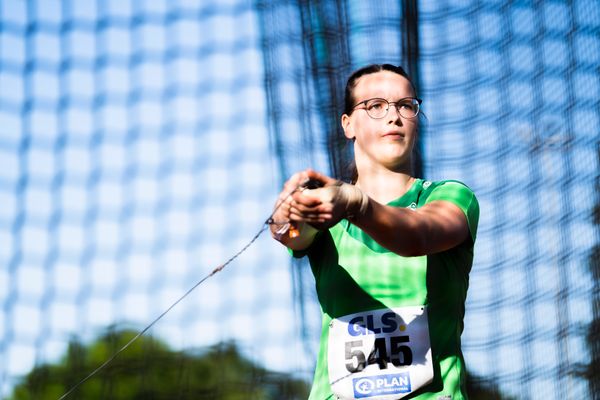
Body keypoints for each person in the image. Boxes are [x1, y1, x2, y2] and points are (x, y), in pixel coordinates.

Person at [270, 64, 479, 400]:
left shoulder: (450, 196)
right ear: (347, 124)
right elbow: (292, 233)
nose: (393, 116)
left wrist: (356, 203)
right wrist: (288, 212)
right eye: (376, 105)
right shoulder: (328, 209)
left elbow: (417, 236)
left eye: (406, 105)